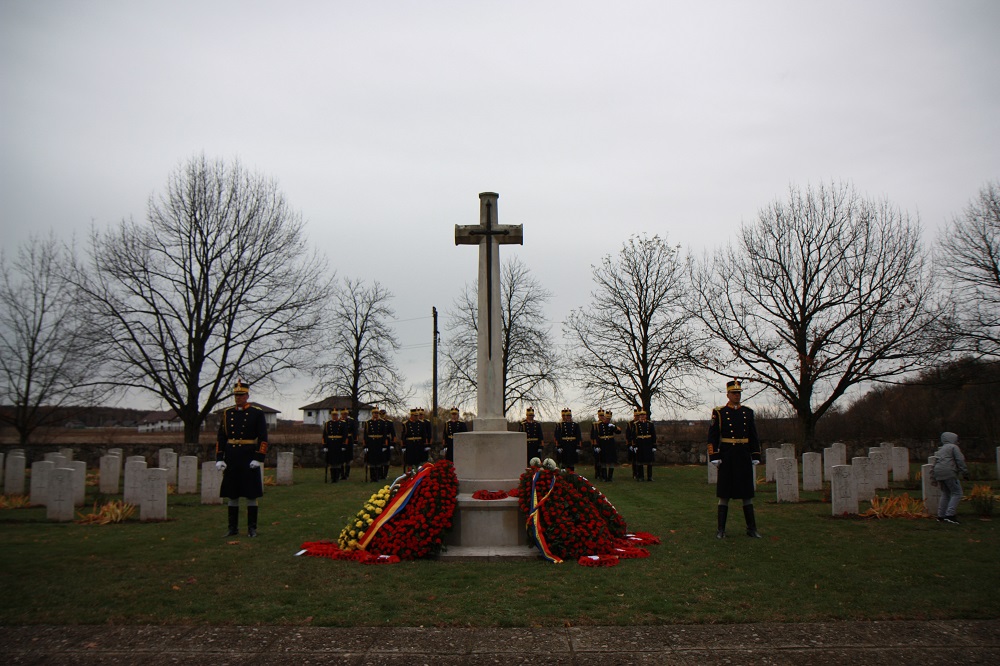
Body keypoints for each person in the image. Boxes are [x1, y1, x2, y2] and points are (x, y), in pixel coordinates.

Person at [707, 378, 762, 538]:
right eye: (734, 393)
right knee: (724, 493)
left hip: (743, 455)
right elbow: (712, 436)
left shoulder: (748, 412)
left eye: (738, 393)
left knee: (747, 494)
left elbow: (753, 435)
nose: (737, 396)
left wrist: (755, 454)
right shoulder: (719, 413)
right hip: (727, 455)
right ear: (728, 394)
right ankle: (721, 530)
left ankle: (751, 528)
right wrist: (714, 456)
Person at [216, 379, 268, 537]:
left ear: (247, 396)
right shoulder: (227, 413)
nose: (238, 398)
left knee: (251, 493)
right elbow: (221, 437)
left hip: (248, 456)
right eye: (236, 395)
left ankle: (252, 528)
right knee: (232, 493)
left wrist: (258, 458)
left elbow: (263, 438)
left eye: (241, 395)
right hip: (232, 456)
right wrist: (219, 457)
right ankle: (232, 528)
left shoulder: (257, 413)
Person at [932, 431, 969, 525]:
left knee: (945, 493)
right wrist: (965, 472)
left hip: (938, 472)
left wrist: (934, 476)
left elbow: (936, 461)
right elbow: (960, 460)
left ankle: (941, 515)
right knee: (957, 493)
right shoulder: (953, 447)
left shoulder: (941, 449)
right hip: (949, 472)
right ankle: (950, 515)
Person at [321, 409, 349, 483]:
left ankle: (337, 477)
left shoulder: (342, 423)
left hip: (339, 444)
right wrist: (324, 445)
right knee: (331, 461)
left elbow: (345, 435)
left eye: (336, 415)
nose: (334, 416)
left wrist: (344, 445)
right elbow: (325, 435)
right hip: (330, 444)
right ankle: (332, 477)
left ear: (338, 416)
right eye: (333, 415)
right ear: (331, 416)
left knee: (338, 461)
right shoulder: (327, 424)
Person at [593, 409, 620, 482]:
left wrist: (614, 427)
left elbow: (618, 432)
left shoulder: (611, 425)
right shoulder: (598, 425)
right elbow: (596, 436)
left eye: (609, 419)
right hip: (602, 444)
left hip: (610, 444)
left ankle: (610, 477)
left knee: (611, 461)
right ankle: (604, 477)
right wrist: (597, 446)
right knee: (603, 461)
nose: (607, 420)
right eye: (606, 418)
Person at [633, 409, 657, 481]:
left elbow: (653, 435)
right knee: (640, 461)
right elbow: (634, 435)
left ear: (646, 416)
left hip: (648, 443)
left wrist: (654, 445)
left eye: (643, 415)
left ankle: (649, 477)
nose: (642, 416)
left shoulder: (650, 424)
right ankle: (641, 476)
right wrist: (634, 445)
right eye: (641, 415)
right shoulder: (636, 424)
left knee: (649, 461)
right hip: (640, 443)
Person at [401, 408, 426, 473]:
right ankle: (410, 474)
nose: (417, 417)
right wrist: (403, 446)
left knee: (419, 461)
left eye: (417, 415)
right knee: (410, 461)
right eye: (415, 416)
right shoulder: (406, 424)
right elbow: (403, 436)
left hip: (419, 444)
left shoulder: (421, 423)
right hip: (410, 444)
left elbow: (424, 435)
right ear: (411, 416)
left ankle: (419, 473)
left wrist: (425, 445)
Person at [590, 409, 606, 480]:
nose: (602, 417)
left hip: (604, 444)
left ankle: (603, 473)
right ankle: (597, 473)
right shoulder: (595, 424)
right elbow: (593, 436)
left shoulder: (605, 424)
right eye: (600, 415)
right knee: (597, 460)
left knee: (603, 459)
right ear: (598, 416)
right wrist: (594, 445)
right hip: (597, 444)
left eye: (603, 415)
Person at [340, 408, 355, 480]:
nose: (344, 415)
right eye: (343, 414)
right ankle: (341, 474)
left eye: (346, 414)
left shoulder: (351, 421)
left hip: (349, 440)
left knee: (348, 458)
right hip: (340, 440)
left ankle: (347, 474)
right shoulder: (339, 421)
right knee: (341, 458)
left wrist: (355, 441)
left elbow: (354, 431)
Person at [625, 408, 640, 480]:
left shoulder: (640, 423)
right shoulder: (630, 424)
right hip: (632, 444)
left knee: (640, 460)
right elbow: (627, 435)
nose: (637, 417)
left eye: (638, 416)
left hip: (640, 444)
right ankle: (635, 473)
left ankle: (640, 473)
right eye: (636, 416)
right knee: (634, 460)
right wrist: (629, 445)